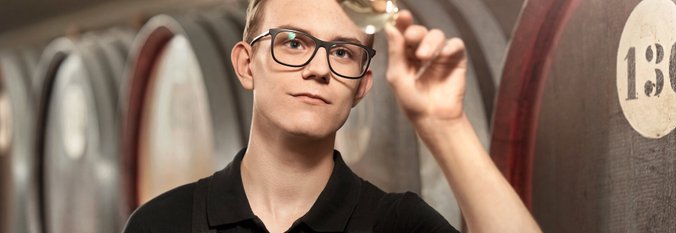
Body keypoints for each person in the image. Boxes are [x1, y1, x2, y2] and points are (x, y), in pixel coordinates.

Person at [122, 0, 541, 232]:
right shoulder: (162, 225)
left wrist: (444, 124)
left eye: (342, 51)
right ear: (247, 65)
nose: (319, 68)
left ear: (361, 86)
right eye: (292, 43)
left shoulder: (396, 226)